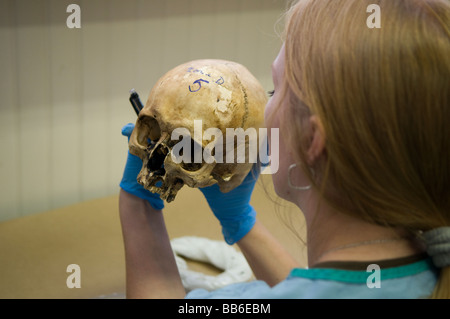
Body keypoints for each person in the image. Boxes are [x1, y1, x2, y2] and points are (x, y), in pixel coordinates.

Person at [119, 0, 450, 299]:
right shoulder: (431, 267)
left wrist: (137, 207)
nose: (266, 111)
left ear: (312, 138)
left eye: (276, 90)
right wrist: (241, 224)